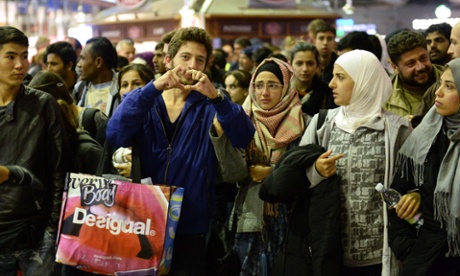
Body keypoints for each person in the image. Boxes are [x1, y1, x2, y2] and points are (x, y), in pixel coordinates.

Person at [106, 26, 255, 275]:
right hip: (144, 216)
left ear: (207, 67)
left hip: (192, 219)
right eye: (185, 57)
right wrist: (152, 88)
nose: (192, 65)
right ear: (168, 60)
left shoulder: (212, 102)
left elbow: (243, 136)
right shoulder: (146, 99)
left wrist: (217, 98)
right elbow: (115, 134)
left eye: (200, 60)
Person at [299, 50, 412, 275]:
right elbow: (297, 176)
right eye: (333, 76)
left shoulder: (397, 129)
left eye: (341, 77)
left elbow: (412, 182)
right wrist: (317, 171)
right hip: (330, 248)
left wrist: (413, 196)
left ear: (363, 81)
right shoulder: (323, 124)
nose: (331, 83)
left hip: (380, 252)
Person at [0, 26, 71, 275]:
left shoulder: (43, 105)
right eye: (11, 56)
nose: (20, 64)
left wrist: (51, 233)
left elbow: (60, 170)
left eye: (24, 55)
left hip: (33, 233)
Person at [232, 57, 306, 275]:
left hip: (292, 219)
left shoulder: (305, 123)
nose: (264, 92)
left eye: (273, 85)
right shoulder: (242, 122)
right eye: (259, 85)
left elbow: (307, 172)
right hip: (250, 216)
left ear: (287, 87)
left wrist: (272, 173)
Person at [388, 58, 460, 276]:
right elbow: (395, 195)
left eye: (449, 87)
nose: (438, 92)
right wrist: (407, 249)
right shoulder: (426, 134)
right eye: (440, 84)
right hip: (427, 260)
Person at [385, 30, 443, 122]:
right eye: (411, 63)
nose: (420, 67)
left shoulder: (453, 83)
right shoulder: (385, 98)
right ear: (395, 67)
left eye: (423, 58)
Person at [112, 63, 155, 178]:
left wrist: (135, 171)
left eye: (136, 84)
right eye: (124, 85)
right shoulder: (113, 122)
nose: (129, 90)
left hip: (149, 190)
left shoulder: (157, 121)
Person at [73, 36, 118, 116]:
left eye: (83, 59)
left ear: (98, 62)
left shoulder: (122, 87)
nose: (78, 64)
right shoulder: (80, 88)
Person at [289, 41, 336, 116]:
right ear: (290, 65)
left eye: (310, 64)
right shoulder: (283, 92)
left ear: (317, 65)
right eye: (299, 63)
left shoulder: (327, 92)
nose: (305, 69)